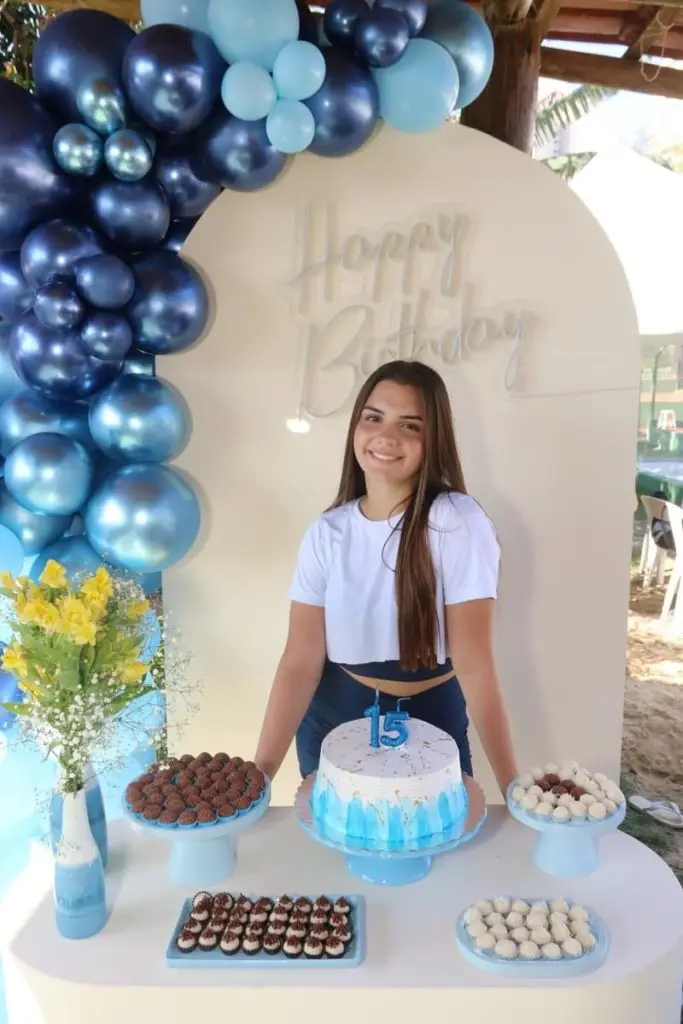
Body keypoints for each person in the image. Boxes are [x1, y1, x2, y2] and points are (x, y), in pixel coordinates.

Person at [254, 360, 518, 795]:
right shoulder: (327, 531)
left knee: (441, 831)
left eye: (410, 425)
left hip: (433, 714)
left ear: (434, 439)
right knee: (341, 833)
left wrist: (513, 789)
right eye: (373, 418)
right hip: (335, 713)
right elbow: (300, 662)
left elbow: (474, 661)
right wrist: (259, 775)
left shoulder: (457, 520)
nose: (386, 436)